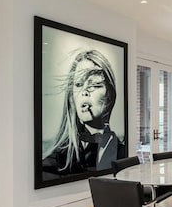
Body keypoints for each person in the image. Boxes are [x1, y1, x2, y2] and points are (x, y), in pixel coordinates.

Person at [42, 49, 124, 177]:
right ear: (71, 97)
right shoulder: (54, 162)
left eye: (95, 84)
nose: (84, 91)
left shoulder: (122, 151)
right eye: (79, 84)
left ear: (110, 95)